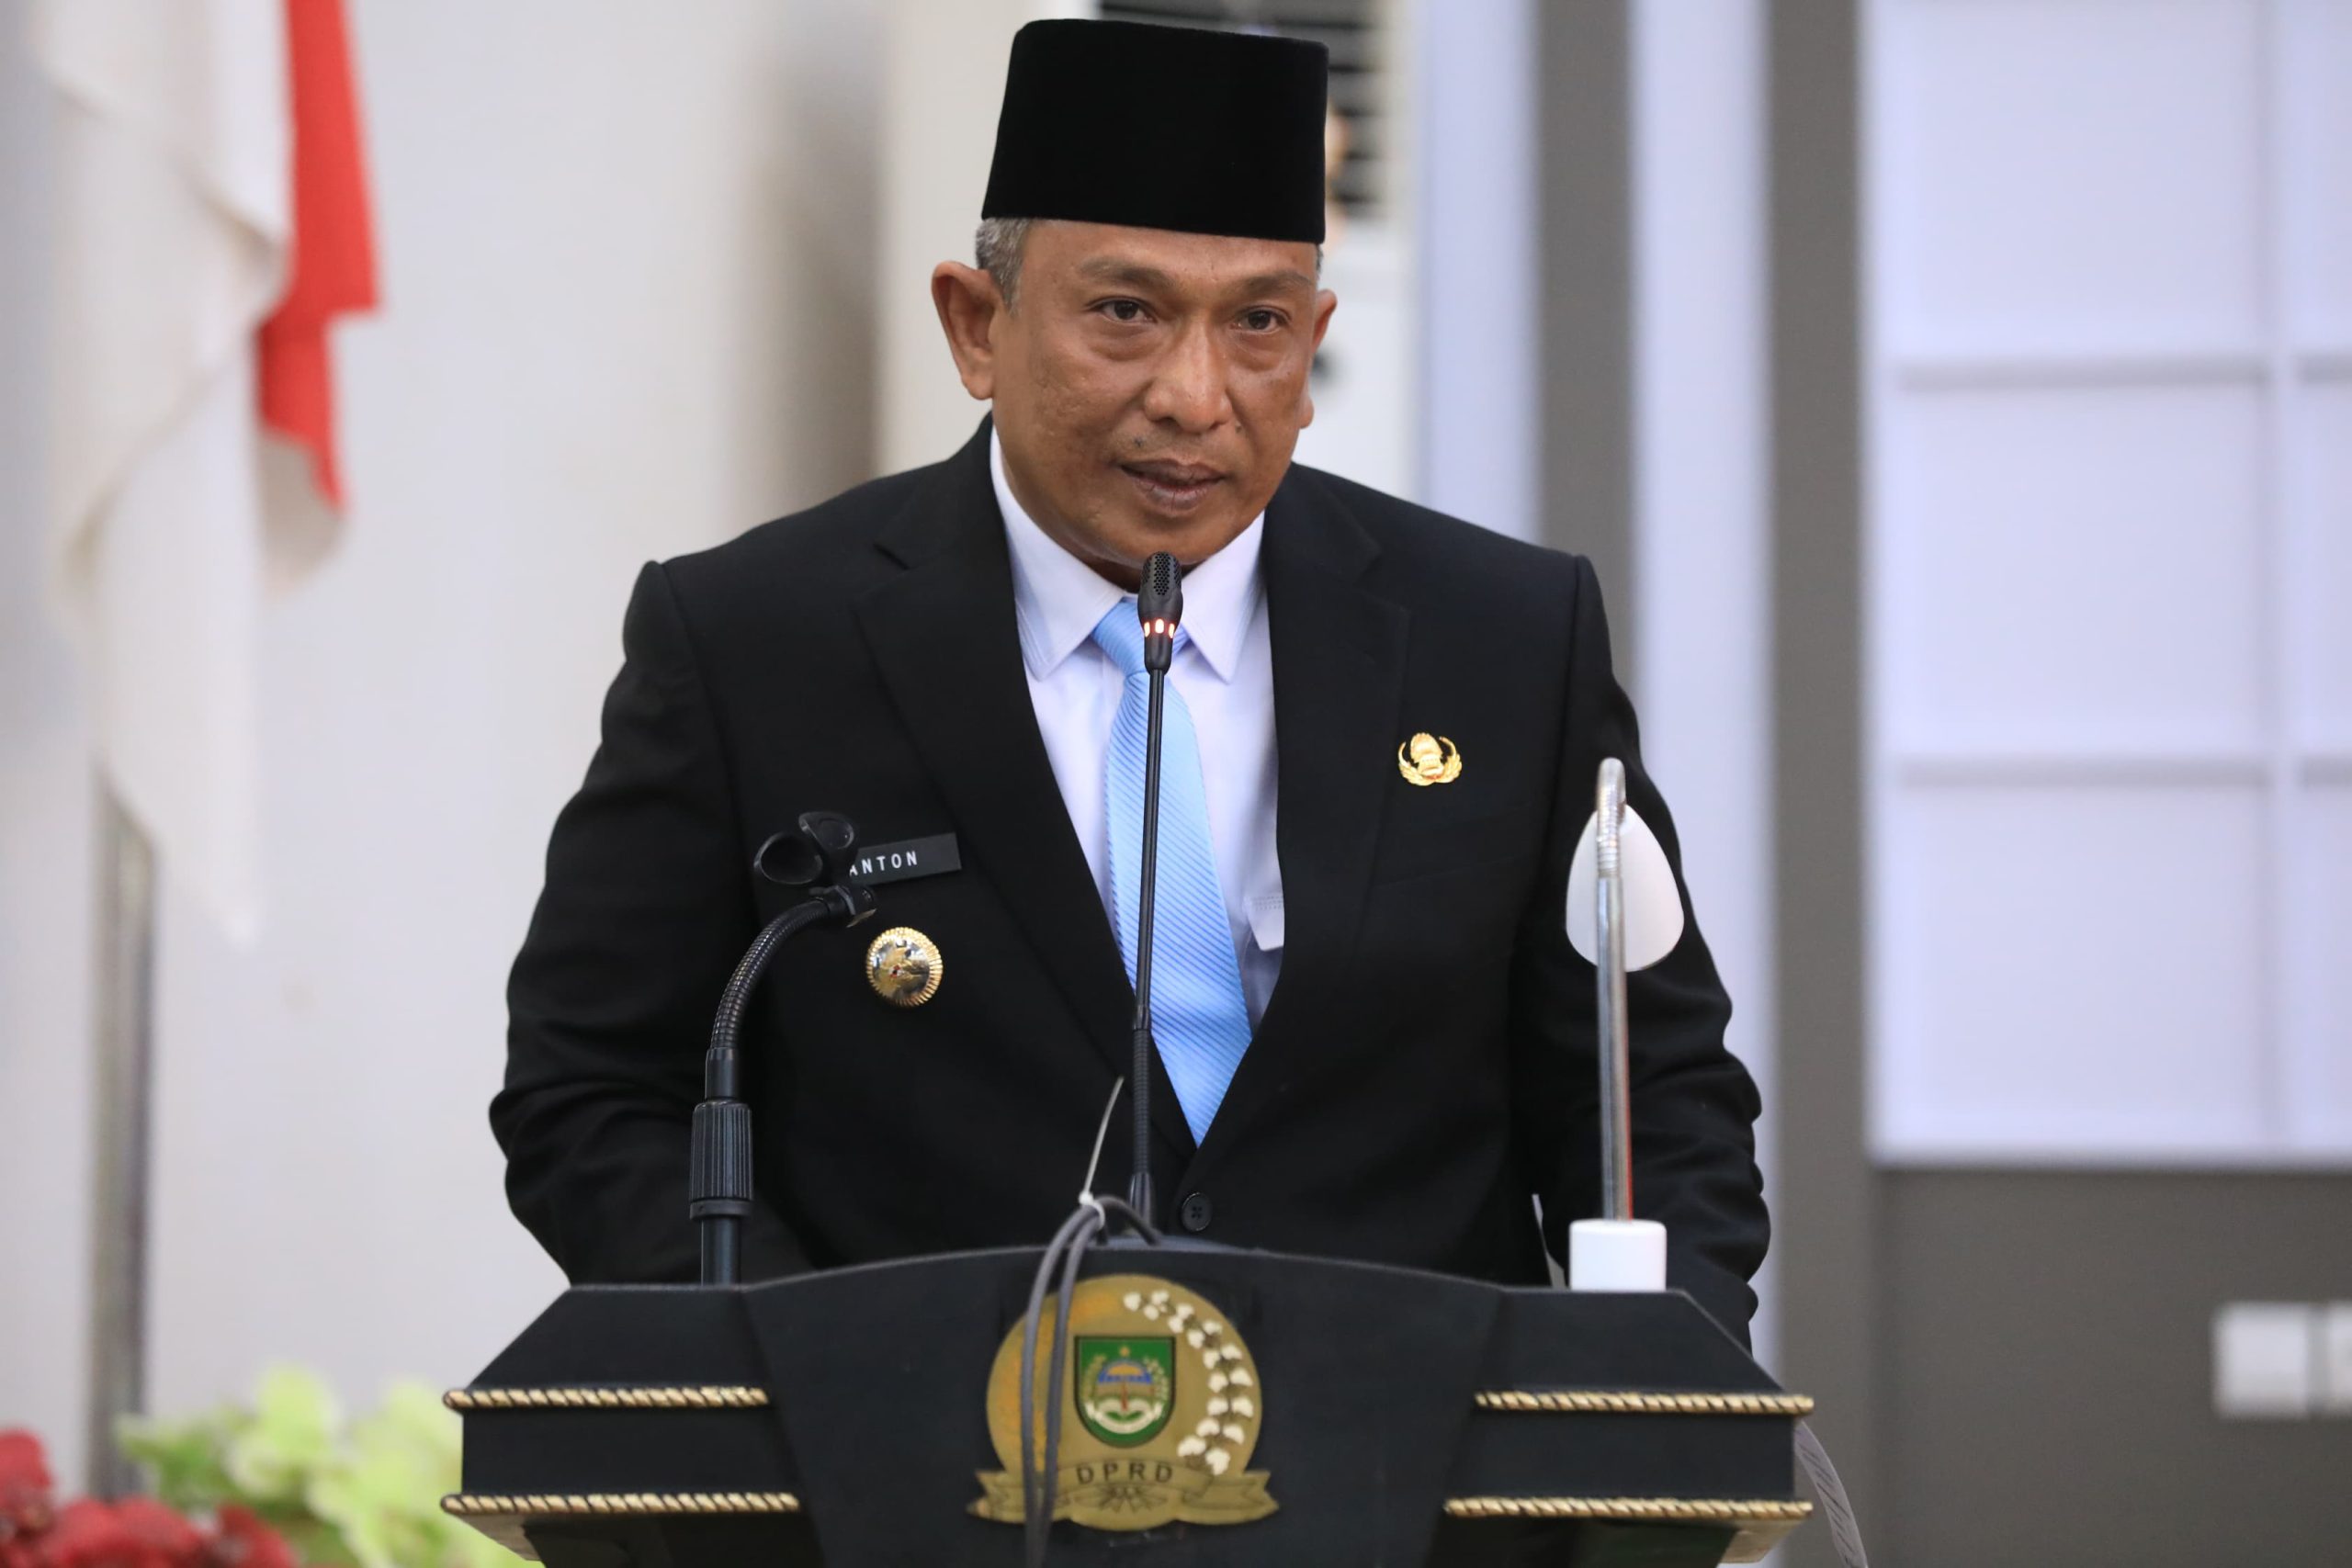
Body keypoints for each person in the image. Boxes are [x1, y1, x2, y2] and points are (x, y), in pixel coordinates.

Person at [494, 17, 1768, 1341]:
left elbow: (1650, 1091)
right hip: (926, 1440)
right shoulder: (754, 640)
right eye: (1126, 314)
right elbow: (595, 1091)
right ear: (976, 326)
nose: (1194, 397)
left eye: (1259, 324)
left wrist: (1644, 1391)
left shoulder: (1502, 637)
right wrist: (823, 1378)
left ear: (1314, 343)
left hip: (1405, 1435)